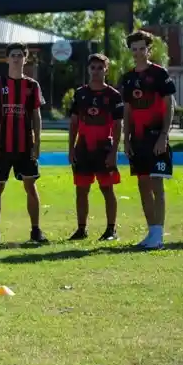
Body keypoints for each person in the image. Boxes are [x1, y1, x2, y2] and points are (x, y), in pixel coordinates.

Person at [0, 43, 47, 244]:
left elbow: (36, 115)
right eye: (13, 55)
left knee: (30, 185)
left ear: (25, 59)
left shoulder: (32, 85)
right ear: (8, 59)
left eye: (20, 55)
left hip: (25, 145)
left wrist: (37, 142)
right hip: (2, 146)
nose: (17, 58)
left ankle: (36, 230)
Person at [120, 30, 176, 250]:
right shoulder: (128, 78)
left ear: (149, 49)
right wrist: (126, 138)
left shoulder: (160, 74)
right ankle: (151, 231)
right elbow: (127, 110)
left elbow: (170, 105)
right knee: (143, 185)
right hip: (138, 139)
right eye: (134, 49)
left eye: (142, 48)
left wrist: (164, 135)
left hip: (156, 137)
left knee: (156, 185)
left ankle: (159, 234)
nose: (138, 53)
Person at [67, 53, 124, 241]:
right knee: (81, 190)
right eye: (93, 68)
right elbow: (74, 122)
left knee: (107, 189)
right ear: (88, 69)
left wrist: (114, 151)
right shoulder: (80, 93)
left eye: (100, 68)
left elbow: (117, 126)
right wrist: (71, 148)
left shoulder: (113, 96)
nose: (96, 71)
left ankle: (111, 230)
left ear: (106, 70)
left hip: (103, 148)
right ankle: (81, 229)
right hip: (83, 147)